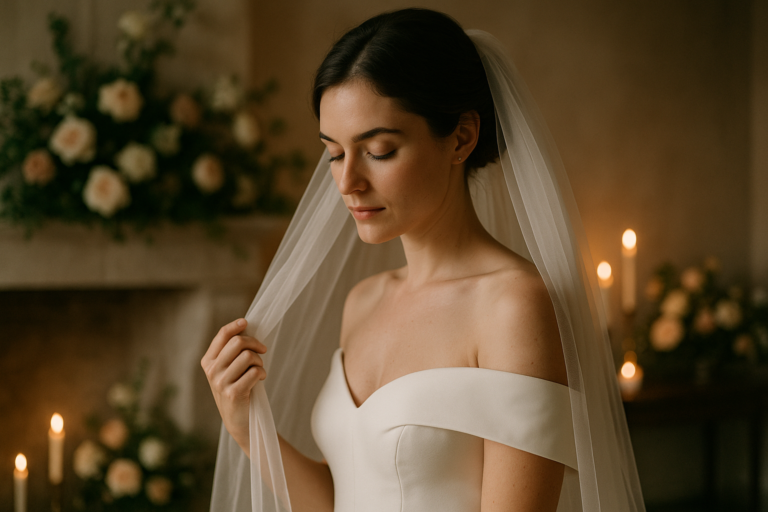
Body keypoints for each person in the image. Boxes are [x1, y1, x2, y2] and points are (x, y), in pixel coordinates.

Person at [202, 8, 645, 512]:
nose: (348, 184)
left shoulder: (513, 306)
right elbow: (343, 498)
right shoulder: (362, 301)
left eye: (380, 150)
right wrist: (245, 427)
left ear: (461, 137)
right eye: (334, 153)